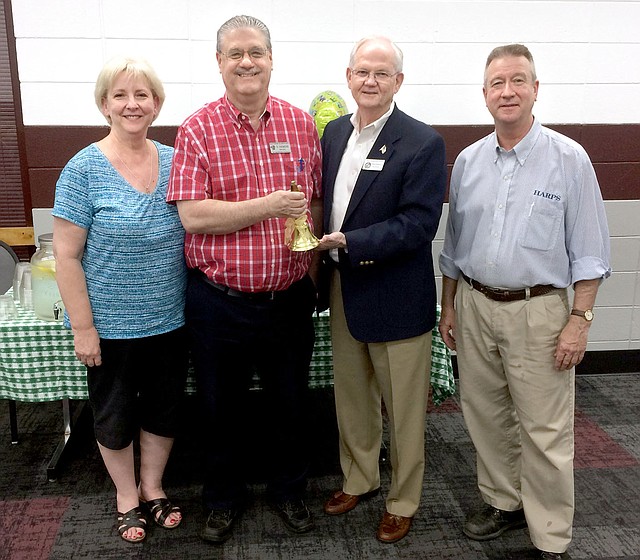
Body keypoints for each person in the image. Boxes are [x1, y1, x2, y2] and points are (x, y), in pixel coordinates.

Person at [438, 44, 611, 560]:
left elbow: (591, 251)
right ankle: (502, 502)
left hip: (541, 312)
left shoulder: (568, 158)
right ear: (485, 94)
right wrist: (449, 307)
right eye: (497, 83)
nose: (507, 91)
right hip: (473, 305)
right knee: (485, 415)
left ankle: (550, 535)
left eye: (518, 81)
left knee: (544, 427)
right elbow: (453, 248)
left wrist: (579, 320)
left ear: (536, 89)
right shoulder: (468, 161)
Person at [166, 15, 322, 543]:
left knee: (290, 403)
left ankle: (289, 492)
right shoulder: (197, 129)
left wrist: (314, 275)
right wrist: (266, 207)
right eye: (235, 54)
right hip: (219, 300)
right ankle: (221, 500)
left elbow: (315, 205)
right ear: (219, 63)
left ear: (272, 59)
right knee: (217, 407)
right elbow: (193, 216)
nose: (247, 62)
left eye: (255, 51)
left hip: (288, 298)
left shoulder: (302, 125)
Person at [52, 57, 189, 543]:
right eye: (121, 95)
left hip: (171, 319)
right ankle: (125, 495)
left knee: (164, 411)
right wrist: (82, 327)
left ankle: (153, 488)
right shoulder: (82, 169)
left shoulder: (176, 160)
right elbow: (66, 257)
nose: (132, 104)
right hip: (109, 326)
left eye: (142, 95)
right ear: (104, 104)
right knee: (114, 415)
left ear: (156, 104)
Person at [317, 36, 446, 543]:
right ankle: (360, 479)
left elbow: (418, 224)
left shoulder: (422, 141)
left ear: (398, 82)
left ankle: (403, 499)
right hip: (344, 291)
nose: (370, 81)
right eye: (362, 72)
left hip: (395, 294)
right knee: (352, 398)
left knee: (404, 410)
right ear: (348, 76)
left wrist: (351, 241)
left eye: (382, 74)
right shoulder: (331, 134)